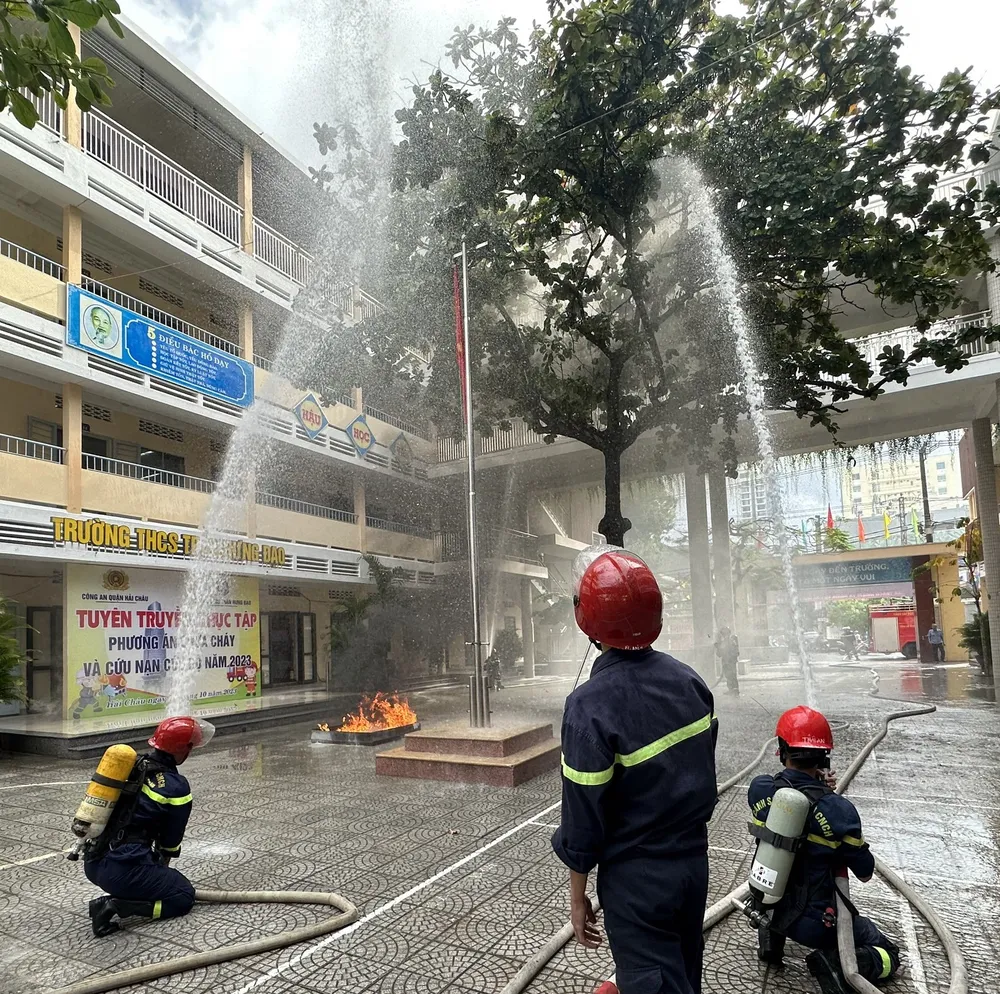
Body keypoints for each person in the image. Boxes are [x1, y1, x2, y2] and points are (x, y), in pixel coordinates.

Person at [551, 549, 718, 994]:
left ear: (587, 620)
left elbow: (582, 822)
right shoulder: (690, 682)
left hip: (638, 883)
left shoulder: (589, 709)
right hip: (692, 867)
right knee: (684, 969)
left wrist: (577, 899)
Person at [748, 706, 900, 994]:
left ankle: (770, 940)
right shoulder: (840, 811)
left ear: (782, 750)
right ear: (824, 756)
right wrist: (826, 796)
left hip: (765, 905)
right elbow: (865, 873)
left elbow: (789, 795)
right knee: (888, 953)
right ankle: (835, 964)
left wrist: (815, 787)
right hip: (817, 926)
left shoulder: (760, 789)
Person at [83, 715, 214, 937]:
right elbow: (171, 840)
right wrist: (161, 867)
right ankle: (115, 906)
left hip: (93, 861)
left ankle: (125, 889)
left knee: (150, 875)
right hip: (120, 870)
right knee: (183, 896)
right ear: (183, 750)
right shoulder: (175, 787)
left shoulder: (134, 766)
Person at [715, 626, 740, 695]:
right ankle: (733, 690)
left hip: (729, 662)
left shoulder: (727, 642)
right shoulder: (730, 641)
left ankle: (733, 690)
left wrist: (718, 647)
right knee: (730, 676)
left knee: (730, 676)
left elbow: (719, 654)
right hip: (729, 662)